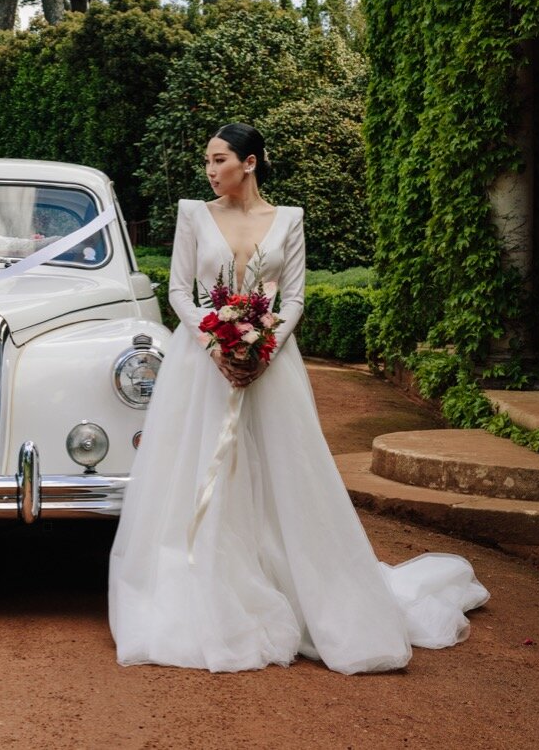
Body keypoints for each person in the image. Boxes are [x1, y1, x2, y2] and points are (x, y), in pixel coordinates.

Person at [108, 122, 488, 674]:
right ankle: (207, 590)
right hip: (201, 366)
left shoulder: (289, 220)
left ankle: (302, 588)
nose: (210, 171)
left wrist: (262, 349)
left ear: (251, 162)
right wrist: (215, 343)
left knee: (285, 473)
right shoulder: (194, 215)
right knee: (199, 472)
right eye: (207, 162)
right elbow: (177, 291)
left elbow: (296, 297)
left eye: (220, 160)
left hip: (272, 366)